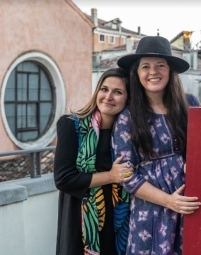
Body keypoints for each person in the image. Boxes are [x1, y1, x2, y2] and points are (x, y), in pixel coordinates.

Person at [112, 36, 201, 255]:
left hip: (189, 203)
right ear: (137, 73)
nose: (153, 72)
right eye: (145, 66)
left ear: (170, 71)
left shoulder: (190, 105)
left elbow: (199, 155)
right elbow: (127, 176)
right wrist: (169, 201)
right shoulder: (127, 118)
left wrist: (199, 174)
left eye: (160, 65)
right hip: (150, 212)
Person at [54, 68, 134, 255]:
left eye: (118, 92)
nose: (108, 96)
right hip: (80, 222)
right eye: (104, 89)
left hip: (117, 222)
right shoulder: (71, 125)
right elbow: (63, 179)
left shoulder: (129, 136)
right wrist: (111, 176)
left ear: (128, 99)